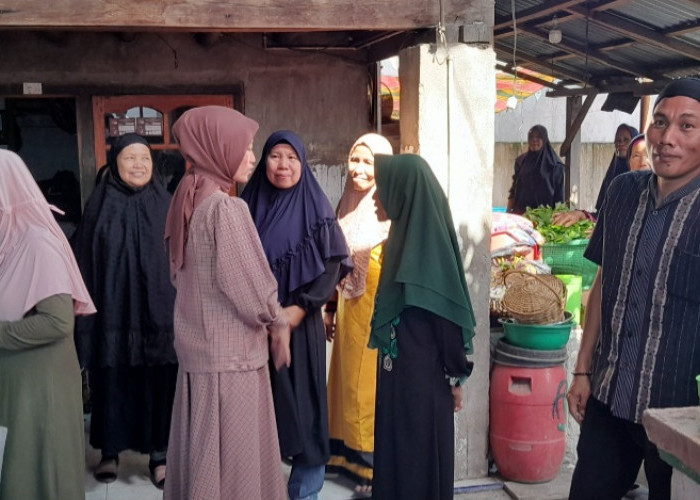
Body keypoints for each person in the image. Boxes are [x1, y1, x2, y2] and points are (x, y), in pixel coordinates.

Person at [567, 77, 700, 500]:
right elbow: (604, 283)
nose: (667, 138)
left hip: (678, 413)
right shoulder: (623, 191)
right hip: (609, 395)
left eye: (687, 126)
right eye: (660, 122)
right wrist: (583, 369)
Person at [163, 106, 291, 500]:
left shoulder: (187, 199)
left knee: (203, 458)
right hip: (230, 363)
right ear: (218, 149)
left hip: (199, 355)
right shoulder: (224, 208)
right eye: (245, 147)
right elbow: (250, 289)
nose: (252, 157)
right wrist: (277, 319)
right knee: (234, 471)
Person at [241, 130, 352, 500]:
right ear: (264, 161)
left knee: (306, 413)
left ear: (303, 164)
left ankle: (305, 492)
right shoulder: (246, 206)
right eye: (275, 156)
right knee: (261, 416)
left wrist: (298, 308)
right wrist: (266, 312)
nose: (283, 165)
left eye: (292, 158)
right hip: (255, 326)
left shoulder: (316, 208)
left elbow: (333, 263)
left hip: (298, 326)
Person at [72, 133, 178, 488]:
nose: (138, 165)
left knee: (157, 382)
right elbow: (84, 260)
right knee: (112, 378)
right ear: (114, 163)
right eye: (130, 158)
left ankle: (158, 455)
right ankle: (110, 452)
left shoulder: (166, 204)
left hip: (156, 312)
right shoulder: (100, 205)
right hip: (113, 312)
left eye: (145, 159)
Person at [370, 153, 475, 500]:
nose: (375, 198)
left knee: (418, 467)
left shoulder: (429, 253)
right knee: (395, 459)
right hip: (398, 382)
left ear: (405, 192)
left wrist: (455, 377)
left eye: (382, 189)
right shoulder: (402, 241)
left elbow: (446, 326)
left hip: (425, 387)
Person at [0, 149, 96, 500]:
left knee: (42, 476)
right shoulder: (8, 240)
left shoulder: (37, 243)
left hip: (41, 387)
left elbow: (57, 322)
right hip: (20, 383)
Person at [325, 133, 393, 492]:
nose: (360, 169)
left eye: (369, 162)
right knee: (342, 382)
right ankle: (342, 455)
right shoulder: (346, 204)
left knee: (365, 388)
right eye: (356, 160)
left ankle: (369, 467)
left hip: (376, 313)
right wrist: (328, 308)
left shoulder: (390, 206)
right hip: (348, 308)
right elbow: (335, 261)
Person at [552, 123, 638, 226]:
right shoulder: (612, 177)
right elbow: (603, 215)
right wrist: (581, 215)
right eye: (618, 141)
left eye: (626, 140)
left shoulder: (643, 181)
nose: (621, 143)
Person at [506, 124, 565, 214]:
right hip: (521, 215)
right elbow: (514, 190)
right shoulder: (521, 162)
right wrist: (508, 212)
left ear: (544, 140)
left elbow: (559, 198)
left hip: (544, 218)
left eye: (538, 137)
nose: (534, 140)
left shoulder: (555, 165)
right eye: (531, 137)